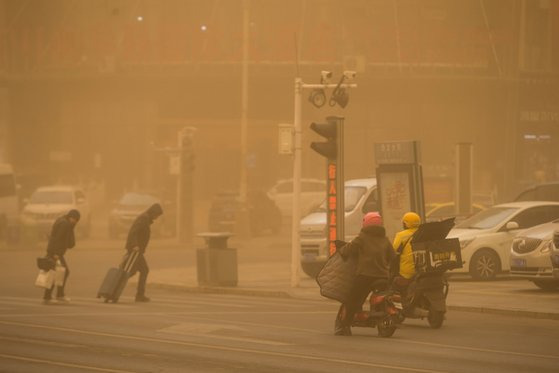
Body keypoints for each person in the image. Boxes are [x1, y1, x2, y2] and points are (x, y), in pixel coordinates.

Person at [334, 212, 395, 336]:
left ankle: (344, 325)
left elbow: (348, 250)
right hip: (383, 276)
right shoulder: (385, 239)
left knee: (352, 300)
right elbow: (392, 257)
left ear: (365, 223)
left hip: (365, 276)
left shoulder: (362, 237)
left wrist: (342, 249)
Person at [125, 203, 163, 302]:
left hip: (137, 250)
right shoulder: (144, 218)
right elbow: (134, 231)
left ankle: (117, 285)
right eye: (157, 215)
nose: (156, 218)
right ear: (153, 212)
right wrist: (134, 245)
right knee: (143, 270)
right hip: (135, 250)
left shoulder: (145, 218)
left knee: (131, 271)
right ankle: (139, 295)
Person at [43, 209, 80, 304]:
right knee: (59, 272)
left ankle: (54, 295)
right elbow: (59, 239)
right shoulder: (65, 224)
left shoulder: (63, 221)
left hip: (54, 251)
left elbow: (68, 243)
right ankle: (52, 296)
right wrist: (56, 253)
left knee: (58, 272)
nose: (75, 222)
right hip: (56, 252)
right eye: (75, 219)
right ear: (71, 217)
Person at [391, 212, 421, 294]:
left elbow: (393, 251)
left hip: (407, 273)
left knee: (392, 283)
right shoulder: (423, 233)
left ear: (405, 223)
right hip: (421, 271)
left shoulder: (401, 235)